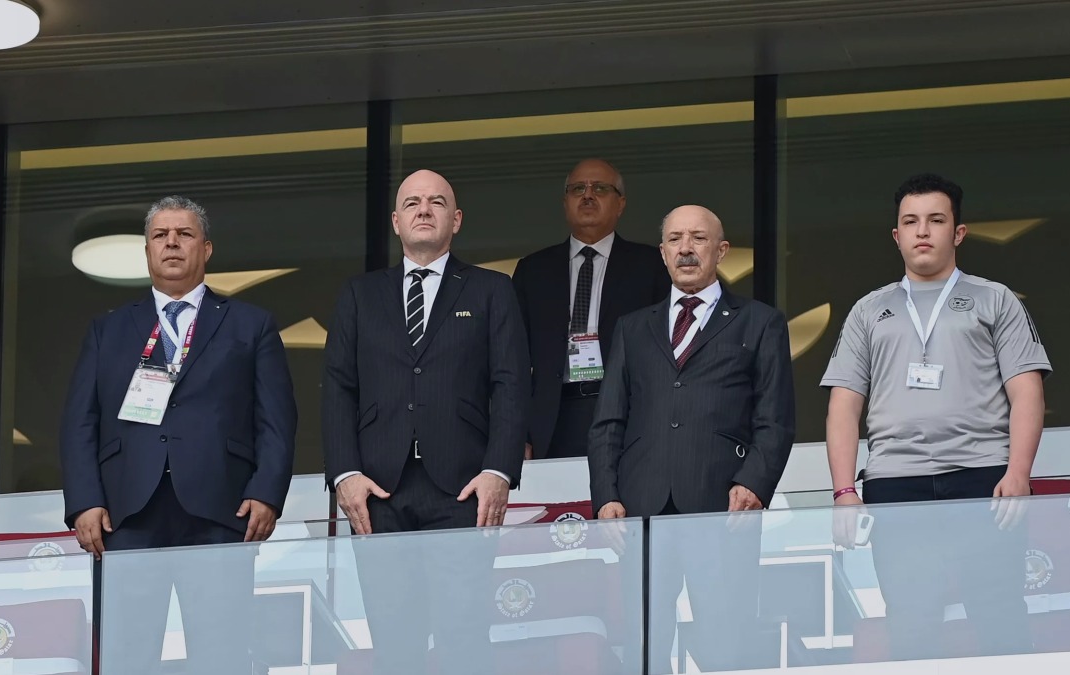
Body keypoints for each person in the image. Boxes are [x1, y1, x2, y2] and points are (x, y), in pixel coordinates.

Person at [61, 196, 297, 674]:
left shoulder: (251, 325)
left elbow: (277, 419)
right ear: (147, 252)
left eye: (184, 234)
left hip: (220, 511)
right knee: (128, 657)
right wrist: (84, 500)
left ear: (206, 249)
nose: (172, 243)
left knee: (221, 656)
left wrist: (267, 494)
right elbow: (79, 420)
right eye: (160, 235)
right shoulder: (108, 330)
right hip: (126, 516)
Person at [823, 173, 1050, 661]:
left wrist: (1018, 472)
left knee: (999, 616)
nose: (922, 230)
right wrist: (844, 491)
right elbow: (844, 403)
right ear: (896, 236)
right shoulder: (868, 310)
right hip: (894, 482)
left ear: (958, 232)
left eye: (936, 220)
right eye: (911, 221)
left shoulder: (996, 299)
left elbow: (1026, 391)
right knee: (911, 622)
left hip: (984, 479)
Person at [322, 169, 529, 674]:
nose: (423, 209)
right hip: (378, 491)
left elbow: (511, 385)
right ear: (395, 221)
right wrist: (345, 474)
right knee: (394, 643)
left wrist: (499, 472)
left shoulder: (490, 290)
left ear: (455, 220)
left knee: (465, 640)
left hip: (463, 489)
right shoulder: (359, 294)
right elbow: (337, 389)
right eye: (412, 202)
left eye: (436, 202)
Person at [589, 205, 795, 672]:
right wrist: (605, 496)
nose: (686, 248)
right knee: (643, 646)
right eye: (675, 239)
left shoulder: (759, 322)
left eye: (698, 239)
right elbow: (608, 421)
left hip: (724, 507)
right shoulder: (633, 327)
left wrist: (756, 484)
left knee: (726, 643)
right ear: (662, 253)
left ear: (721, 250)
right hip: (642, 508)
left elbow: (775, 417)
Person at [513, 159, 669, 459]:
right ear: (565, 202)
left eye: (600, 188)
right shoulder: (533, 270)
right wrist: (521, 433)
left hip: (628, 414)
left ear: (620, 203)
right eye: (577, 189)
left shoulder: (650, 267)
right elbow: (513, 360)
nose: (587, 195)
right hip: (553, 416)